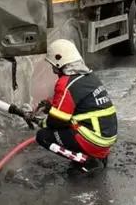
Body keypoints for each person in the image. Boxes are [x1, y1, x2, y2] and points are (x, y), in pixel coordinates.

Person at [33, 38, 117, 177]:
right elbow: (71, 102)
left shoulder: (66, 83)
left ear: (60, 62)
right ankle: (98, 156)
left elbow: (58, 122)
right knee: (67, 126)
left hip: (94, 139)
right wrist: (47, 105)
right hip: (105, 137)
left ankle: (87, 161)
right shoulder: (88, 77)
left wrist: (40, 122)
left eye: (53, 64)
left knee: (43, 136)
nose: (52, 68)